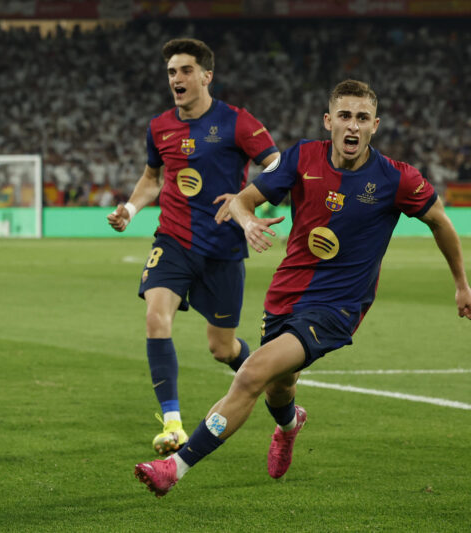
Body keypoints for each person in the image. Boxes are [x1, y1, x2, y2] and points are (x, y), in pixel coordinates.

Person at [134, 79, 471, 497]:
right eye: (345, 116)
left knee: (252, 373)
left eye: (362, 118)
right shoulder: (301, 158)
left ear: (375, 126)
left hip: (338, 307)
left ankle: (174, 467)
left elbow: (439, 219)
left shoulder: (395, 179)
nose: (352, 126)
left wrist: (461, 283)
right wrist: (248, 221)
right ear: (329, 121)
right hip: (286, 295)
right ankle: (291, 425)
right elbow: (241, 200)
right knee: (280, 386)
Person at [107, 38, 279, 456]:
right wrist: (130, 208)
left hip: (222, 248)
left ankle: (276, 384)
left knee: (222, 348)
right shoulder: (159, 126)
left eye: (185, 71)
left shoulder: (237, 122)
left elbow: (276, 166)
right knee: (155, 315)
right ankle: (173, 425)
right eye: (171, 72)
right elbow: (153, 177)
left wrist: (250, 204)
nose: (177, 79)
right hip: (174, 240)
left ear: (206, 76)